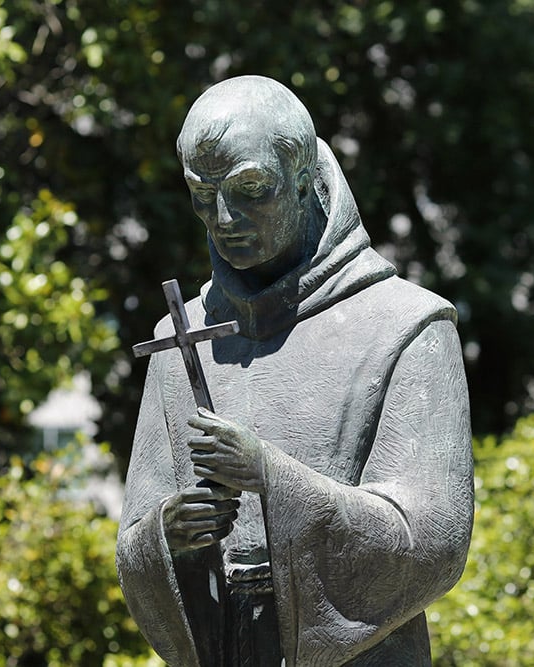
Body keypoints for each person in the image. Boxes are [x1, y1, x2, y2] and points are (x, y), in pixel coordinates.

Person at [117, 75, 473, 666]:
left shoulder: (406, 325)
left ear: (305, 179)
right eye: (203, 197)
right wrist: (170, 535)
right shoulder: (178, 339)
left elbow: (433, 540)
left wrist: (271, 477)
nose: (224, 218)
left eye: (250, 189)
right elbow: (136, 538)